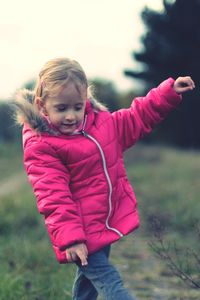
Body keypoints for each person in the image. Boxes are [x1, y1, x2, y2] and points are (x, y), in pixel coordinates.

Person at [14, 57, 195, 300]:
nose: (71, 116)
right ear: (42, 105)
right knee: (111, 282)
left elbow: (137, 117)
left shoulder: (101, 124)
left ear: (86, 99)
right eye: (61, 108)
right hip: (81, 231)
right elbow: (53, 196)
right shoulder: (43, 145)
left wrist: (168, 93)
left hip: (102, 220)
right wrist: (72, 239)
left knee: (87, 285)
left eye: (77, 107)